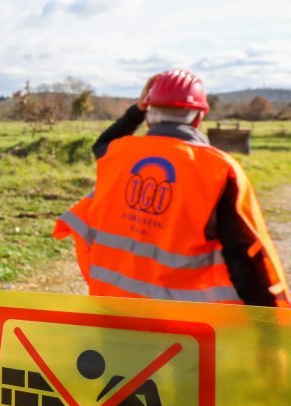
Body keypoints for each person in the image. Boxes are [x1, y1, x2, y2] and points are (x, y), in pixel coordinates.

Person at [53, 69, 290, 306]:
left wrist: (137, 109)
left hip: (114, 310)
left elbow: (102, 143)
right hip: (182, 325)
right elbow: (242, 254)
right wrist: (265, 319)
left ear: (147, 115)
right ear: (199, 118)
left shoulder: (118, 154)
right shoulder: (218, 169)